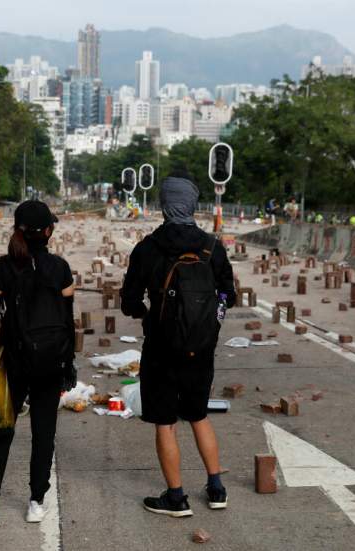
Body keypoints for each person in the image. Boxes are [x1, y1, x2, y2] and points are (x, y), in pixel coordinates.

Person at [120, 171, 236, 518]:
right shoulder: (211, 247)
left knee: (166, 422)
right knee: (199, 416)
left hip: (160, 348)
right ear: (193, 205)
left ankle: (176, 497)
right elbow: (228, 295)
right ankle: (216, 488)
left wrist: (146, 313)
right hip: (200, 349)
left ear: (163, 206)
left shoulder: (147, 248)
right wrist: (206, 323)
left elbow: (129, 301)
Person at [0, 200, 77, 529]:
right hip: (51, 362)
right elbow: (68, 324)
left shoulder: (2, 268)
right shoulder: (60, 268)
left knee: (0, 432)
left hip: (12, 362)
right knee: (45, 434)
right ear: (47, 231)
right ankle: (36, 504)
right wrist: (67, 362)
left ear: (18, 231)